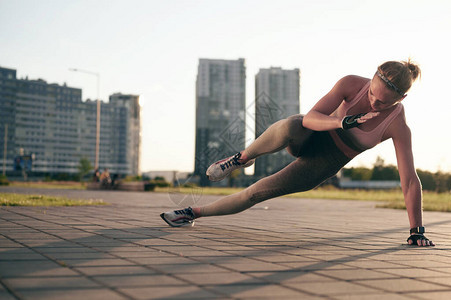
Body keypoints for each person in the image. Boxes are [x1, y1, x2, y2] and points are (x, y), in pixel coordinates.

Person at [161, 59, 434, 247]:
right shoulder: (352, 84)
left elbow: (409, 180)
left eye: (383, 101)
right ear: (372, 78)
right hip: (310, 135)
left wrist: (416, 231)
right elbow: (310, 118)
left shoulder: (397, 125)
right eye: (373, 93)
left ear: (401, 100)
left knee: (256, 192)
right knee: (291, 124)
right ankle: (243, 158)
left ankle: (190, 213)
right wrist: (341, 122)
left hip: (323, 163)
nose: (374, 101)